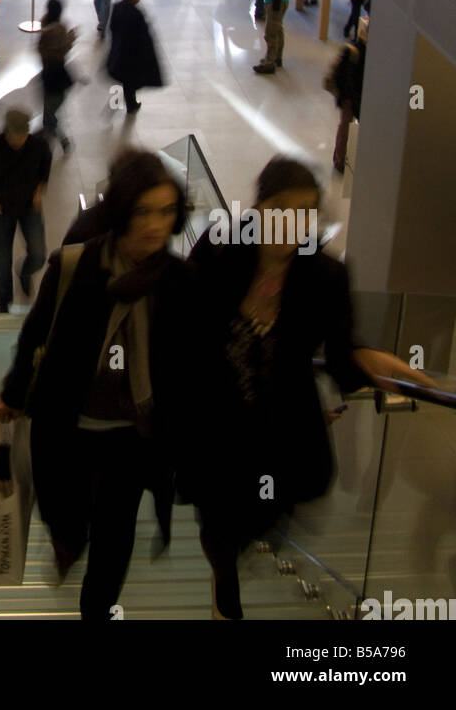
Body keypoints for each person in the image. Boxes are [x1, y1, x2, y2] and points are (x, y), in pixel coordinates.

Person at [179, 156, 433, 621]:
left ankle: (237, 560)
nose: (290, 222)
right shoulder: (219, 251)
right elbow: (181, 330)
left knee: (264, 519)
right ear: (257, 208)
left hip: (281, 432)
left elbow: (340, 355)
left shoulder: (325, 276)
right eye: (280, 207)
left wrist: (367, 359)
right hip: (217, 428)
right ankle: (225, 593)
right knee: (219, 525)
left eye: (304, 210)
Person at [0, 149, 190, 619]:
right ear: (121, 209)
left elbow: (194, 366)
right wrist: (15, 394)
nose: (155, 225)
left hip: (133, 437)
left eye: (166, 212)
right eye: (143, 211)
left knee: (115, 536)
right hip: (70, 429)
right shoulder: (76, 266)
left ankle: (95, 609)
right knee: (65, 517)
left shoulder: (179, 282)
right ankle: (67, 541)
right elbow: (35, 335)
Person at [0, 109, 52, 313]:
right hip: (1, 209)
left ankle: (25, 272)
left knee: (39, 254)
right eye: (15, 137)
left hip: (28, 207)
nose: (19, 141)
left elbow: (46, 160)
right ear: (6, 133)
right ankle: (4, 305)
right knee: (2, 260)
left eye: (23, 137)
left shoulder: (38, 145)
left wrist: (41, 186)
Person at [106, 0, 163, 115]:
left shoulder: (118, 7)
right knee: (130, 80)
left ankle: (125, 102)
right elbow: (143, 36)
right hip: (131, 54)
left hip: (120, 51)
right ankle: (129, 104)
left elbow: (113, 28)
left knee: (125, 79)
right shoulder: (136, 13)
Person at [326, 21, 367, 175]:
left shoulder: (354, 49)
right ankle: (341, 160)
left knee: (346, 127)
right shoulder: (357, 52)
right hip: (351, 98)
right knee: (346, 127)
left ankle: (341, 159)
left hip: (350, 97)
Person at [38, 0, 77, 153]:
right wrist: (70, 39)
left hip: (49, 76)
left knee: (49, 114)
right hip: (57, 76)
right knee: (49, 114)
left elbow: (45, 50)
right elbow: (61, 51)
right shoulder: (59, 28)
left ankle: (55, 138)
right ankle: (60, 139)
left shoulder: (45, 25)